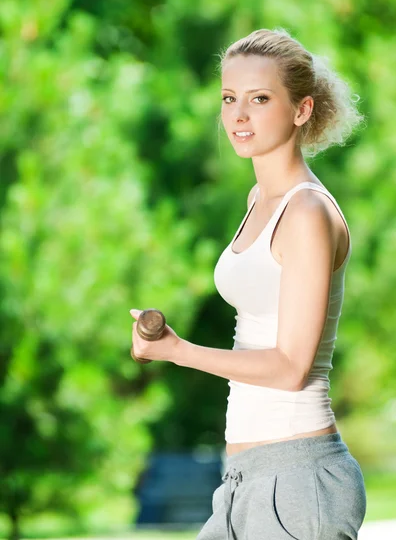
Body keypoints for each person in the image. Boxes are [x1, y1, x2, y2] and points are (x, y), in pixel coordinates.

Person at [130, 27, 367, 539]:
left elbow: (289, 368)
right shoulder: (261, 201)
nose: (239, 115)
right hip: (246, 477)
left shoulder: (305, 211)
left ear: (302, 110)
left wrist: (179, 350)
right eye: (229, 98)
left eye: (260, 99)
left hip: (300, 481)